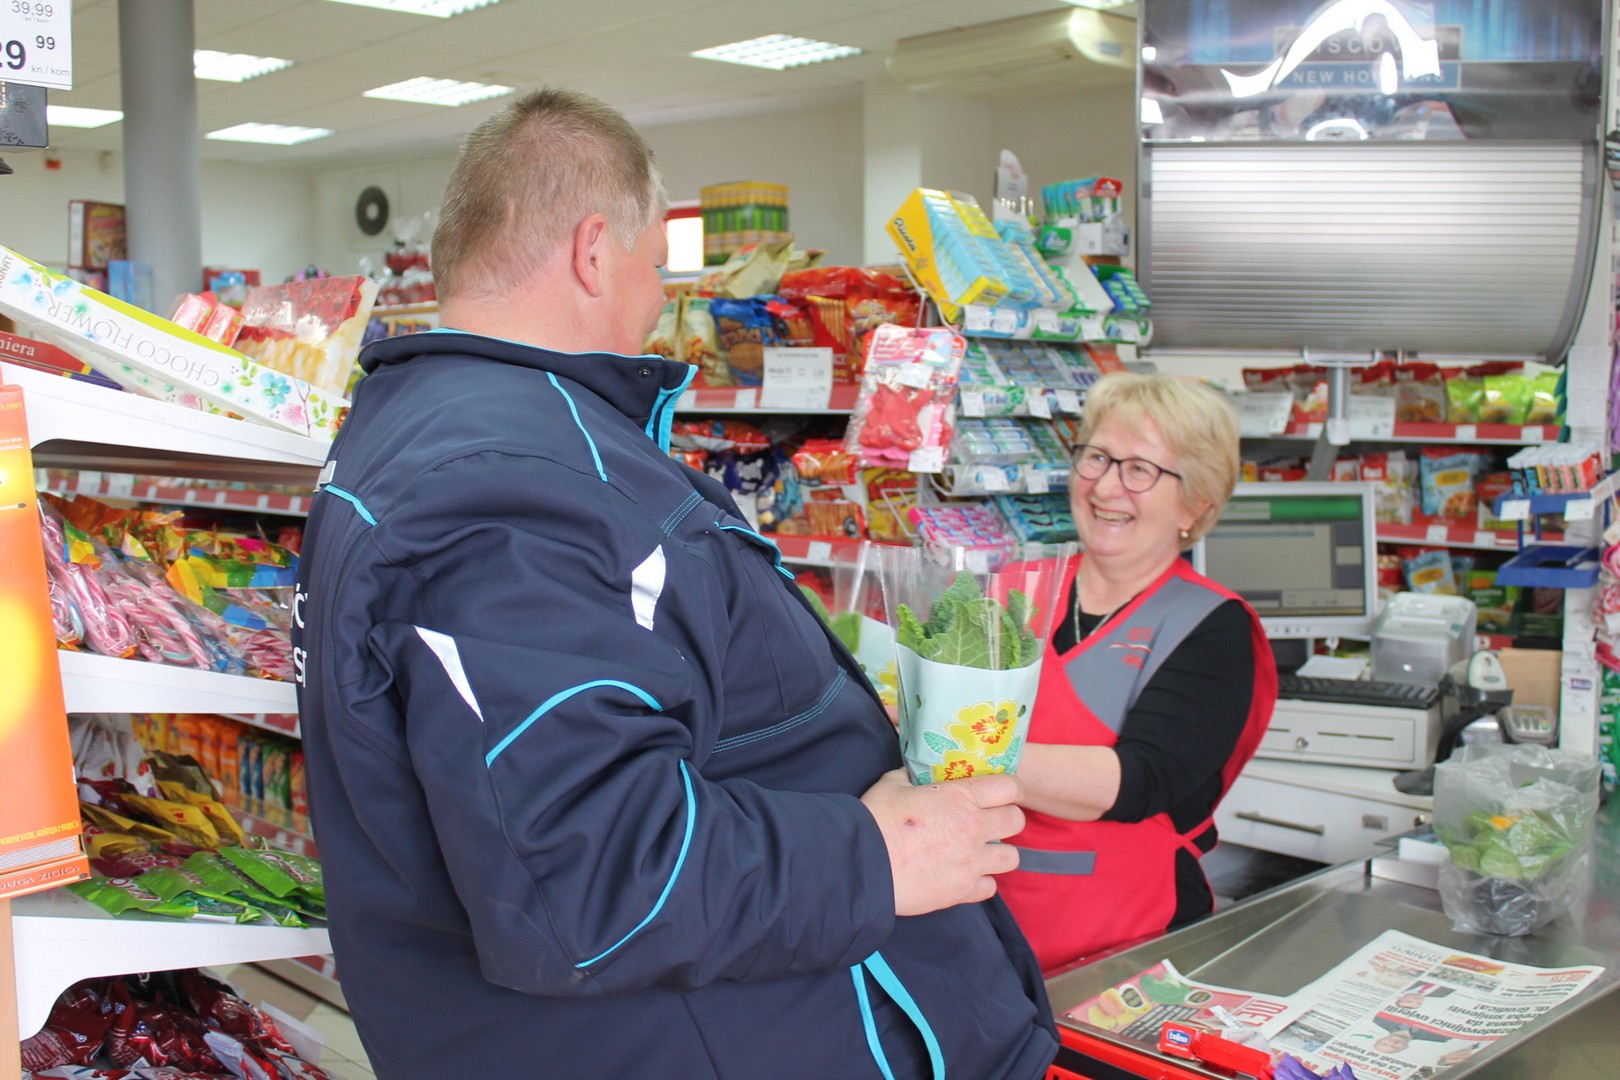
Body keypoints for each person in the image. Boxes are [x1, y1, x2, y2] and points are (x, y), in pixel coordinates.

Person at [291, 87, 1058, 1079]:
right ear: (594, 251)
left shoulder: (417, 432)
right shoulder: (517, 483)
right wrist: (876, 855)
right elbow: (589, 875)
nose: (661, 302)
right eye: (658, 266)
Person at [995, 373, 1279, 972]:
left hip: (1129, 944)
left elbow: (1137, 781)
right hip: (978, 918)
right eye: (1097, 458)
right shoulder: (1009, 590)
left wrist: (954, 747)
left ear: (1195, 503)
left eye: (1141, 470)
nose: (1105, 487)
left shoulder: (1211, 626)